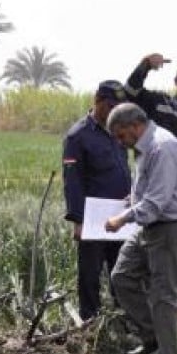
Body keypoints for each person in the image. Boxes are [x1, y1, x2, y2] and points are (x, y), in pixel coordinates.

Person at [104, 103, 177, 354]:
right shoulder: (144, 148)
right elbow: (147, 193)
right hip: (150, 226)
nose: (120, 142)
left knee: (163, 296)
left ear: (135, 126)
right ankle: (152, 335)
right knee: (122, 276)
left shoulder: (162, 146)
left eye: (121, 136)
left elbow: (157, 202)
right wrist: (131, 202)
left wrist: (123, 217)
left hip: (170, 228)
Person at [124, 53, 177, 320]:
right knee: (152, 239)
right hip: (156, 187)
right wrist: (145, 66)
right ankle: (150, 298)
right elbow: (130, 92)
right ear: (176, 80)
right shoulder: (158, 104)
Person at [62, 80, 132, 320]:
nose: (115, 112)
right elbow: (72, 181)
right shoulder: (78, 135)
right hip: (93, 218)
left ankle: (123, 319)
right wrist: (78, 221)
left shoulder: (118, 132)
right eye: (111, 106)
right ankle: (90, 322)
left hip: (120, 216)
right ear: (97, 101)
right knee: (90, 274)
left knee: (121, 271)